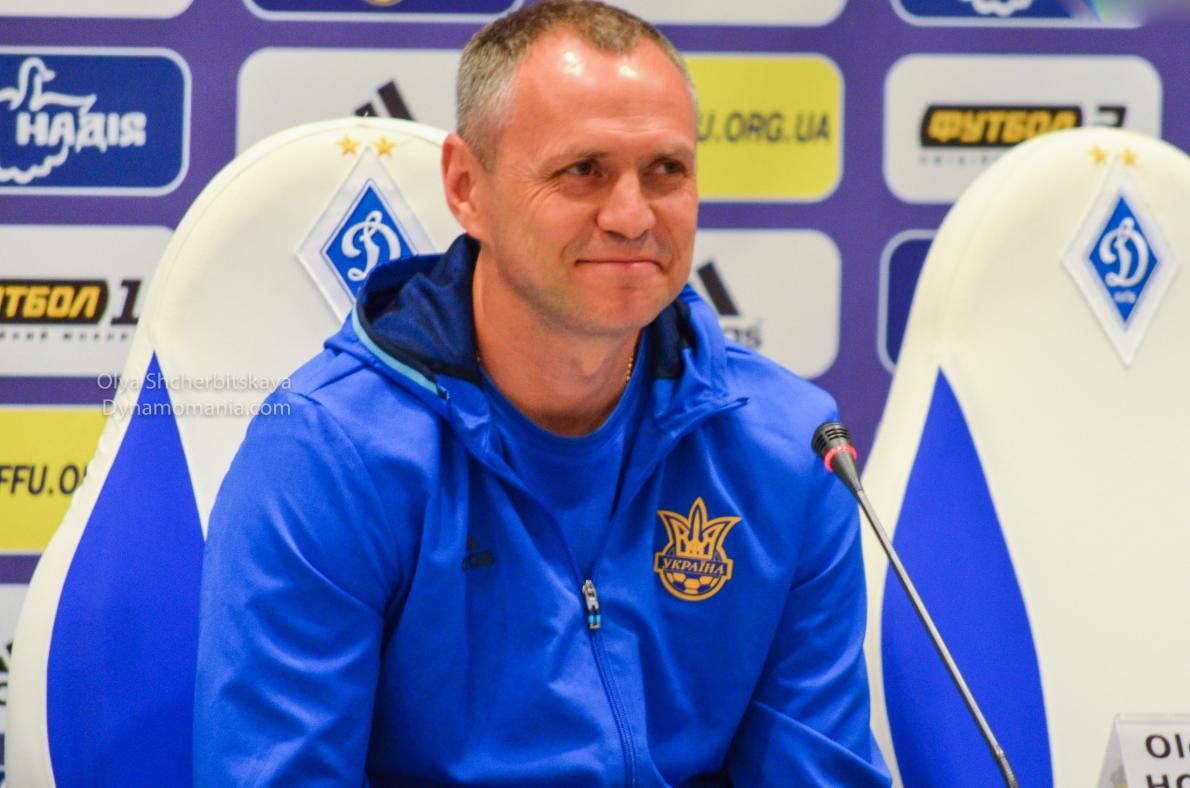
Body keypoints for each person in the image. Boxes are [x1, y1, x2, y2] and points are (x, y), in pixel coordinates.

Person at [194, 1, 890, 784]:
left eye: (666, 170)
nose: (631, 216)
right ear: (467, 187)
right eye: (582, 170)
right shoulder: (328, 456)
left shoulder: (790, 447)